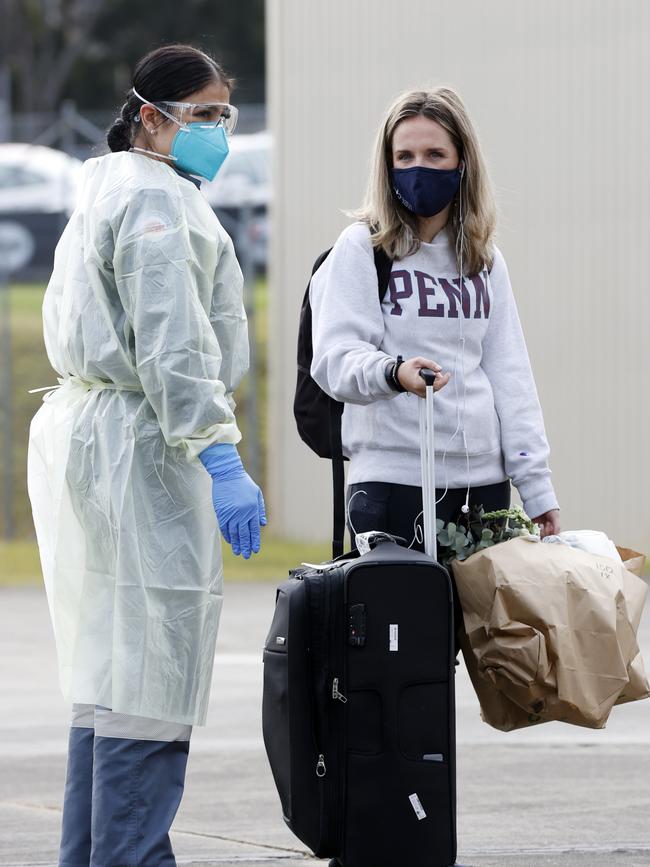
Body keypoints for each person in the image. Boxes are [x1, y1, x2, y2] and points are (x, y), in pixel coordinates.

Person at [27, 44, 265, 866]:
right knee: (149, 672)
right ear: (151, 115)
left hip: (106, 440)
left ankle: (95, 855)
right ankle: (130, 857)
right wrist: (219, 453)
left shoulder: (114, 189)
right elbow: (173, 346)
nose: (218, 131)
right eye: (202, 113)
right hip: (147, 447)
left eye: (224, 114)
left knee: (109, 671)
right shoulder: (155, 205)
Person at [310, 85, 560, 561]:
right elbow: (335, 359)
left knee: (484, 637)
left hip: (483, 488)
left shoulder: (483, 259)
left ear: (462, 162)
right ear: (386, 167)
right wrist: (394, 373)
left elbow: (510, 375)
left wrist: (537, 486)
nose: (417, 167)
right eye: (403, 155)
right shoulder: (362, 248)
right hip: (392, 482)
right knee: (404, 636)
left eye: (434, 153)